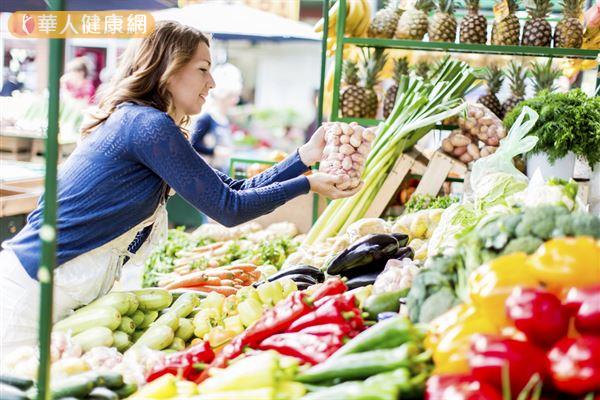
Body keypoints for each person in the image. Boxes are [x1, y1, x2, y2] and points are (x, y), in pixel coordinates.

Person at [0, 21, 361, 352]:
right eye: (203, 69)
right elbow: (229, 209)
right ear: (169, 70)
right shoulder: (147, 126)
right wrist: (307, 184)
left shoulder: (146, 124)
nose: (212, 83)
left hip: (54, 292)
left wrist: (303, 156)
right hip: (29, 295)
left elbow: (233, 189)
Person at [191, 63, 242, 171]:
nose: (236, 100)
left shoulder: (224, 118)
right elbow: (193, 143)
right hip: (210, 172)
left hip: (223, 170)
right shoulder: (207, 118)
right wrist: (214, 150)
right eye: (232, 96)